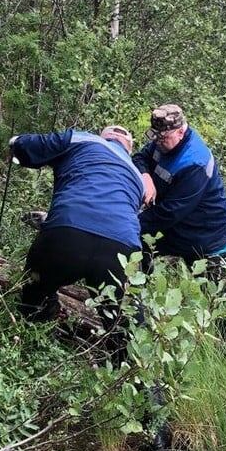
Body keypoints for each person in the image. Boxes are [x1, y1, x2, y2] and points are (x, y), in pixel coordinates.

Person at [9, 125, 144, 330]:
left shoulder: (83, 139)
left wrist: (16, 143)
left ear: (103, 137)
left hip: (67, 235)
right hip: (121, 247)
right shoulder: (137, 175)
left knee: (33, 293)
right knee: (125, 326)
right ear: (129, 149)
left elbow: (29, 146)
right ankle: (126, 358)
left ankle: (37, 329)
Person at [132, 104, 226, 281]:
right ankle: (137, 297)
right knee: (140, 247)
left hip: (207, 237)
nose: (157, 142)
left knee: (217, 299)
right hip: (177, 228)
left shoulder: (195, 162)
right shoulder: (162, 142)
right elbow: (140, 157)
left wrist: (128, 222)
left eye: (162, 138)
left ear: (180, 131)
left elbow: (169, 212)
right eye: (154, 137)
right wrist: (146, 176)